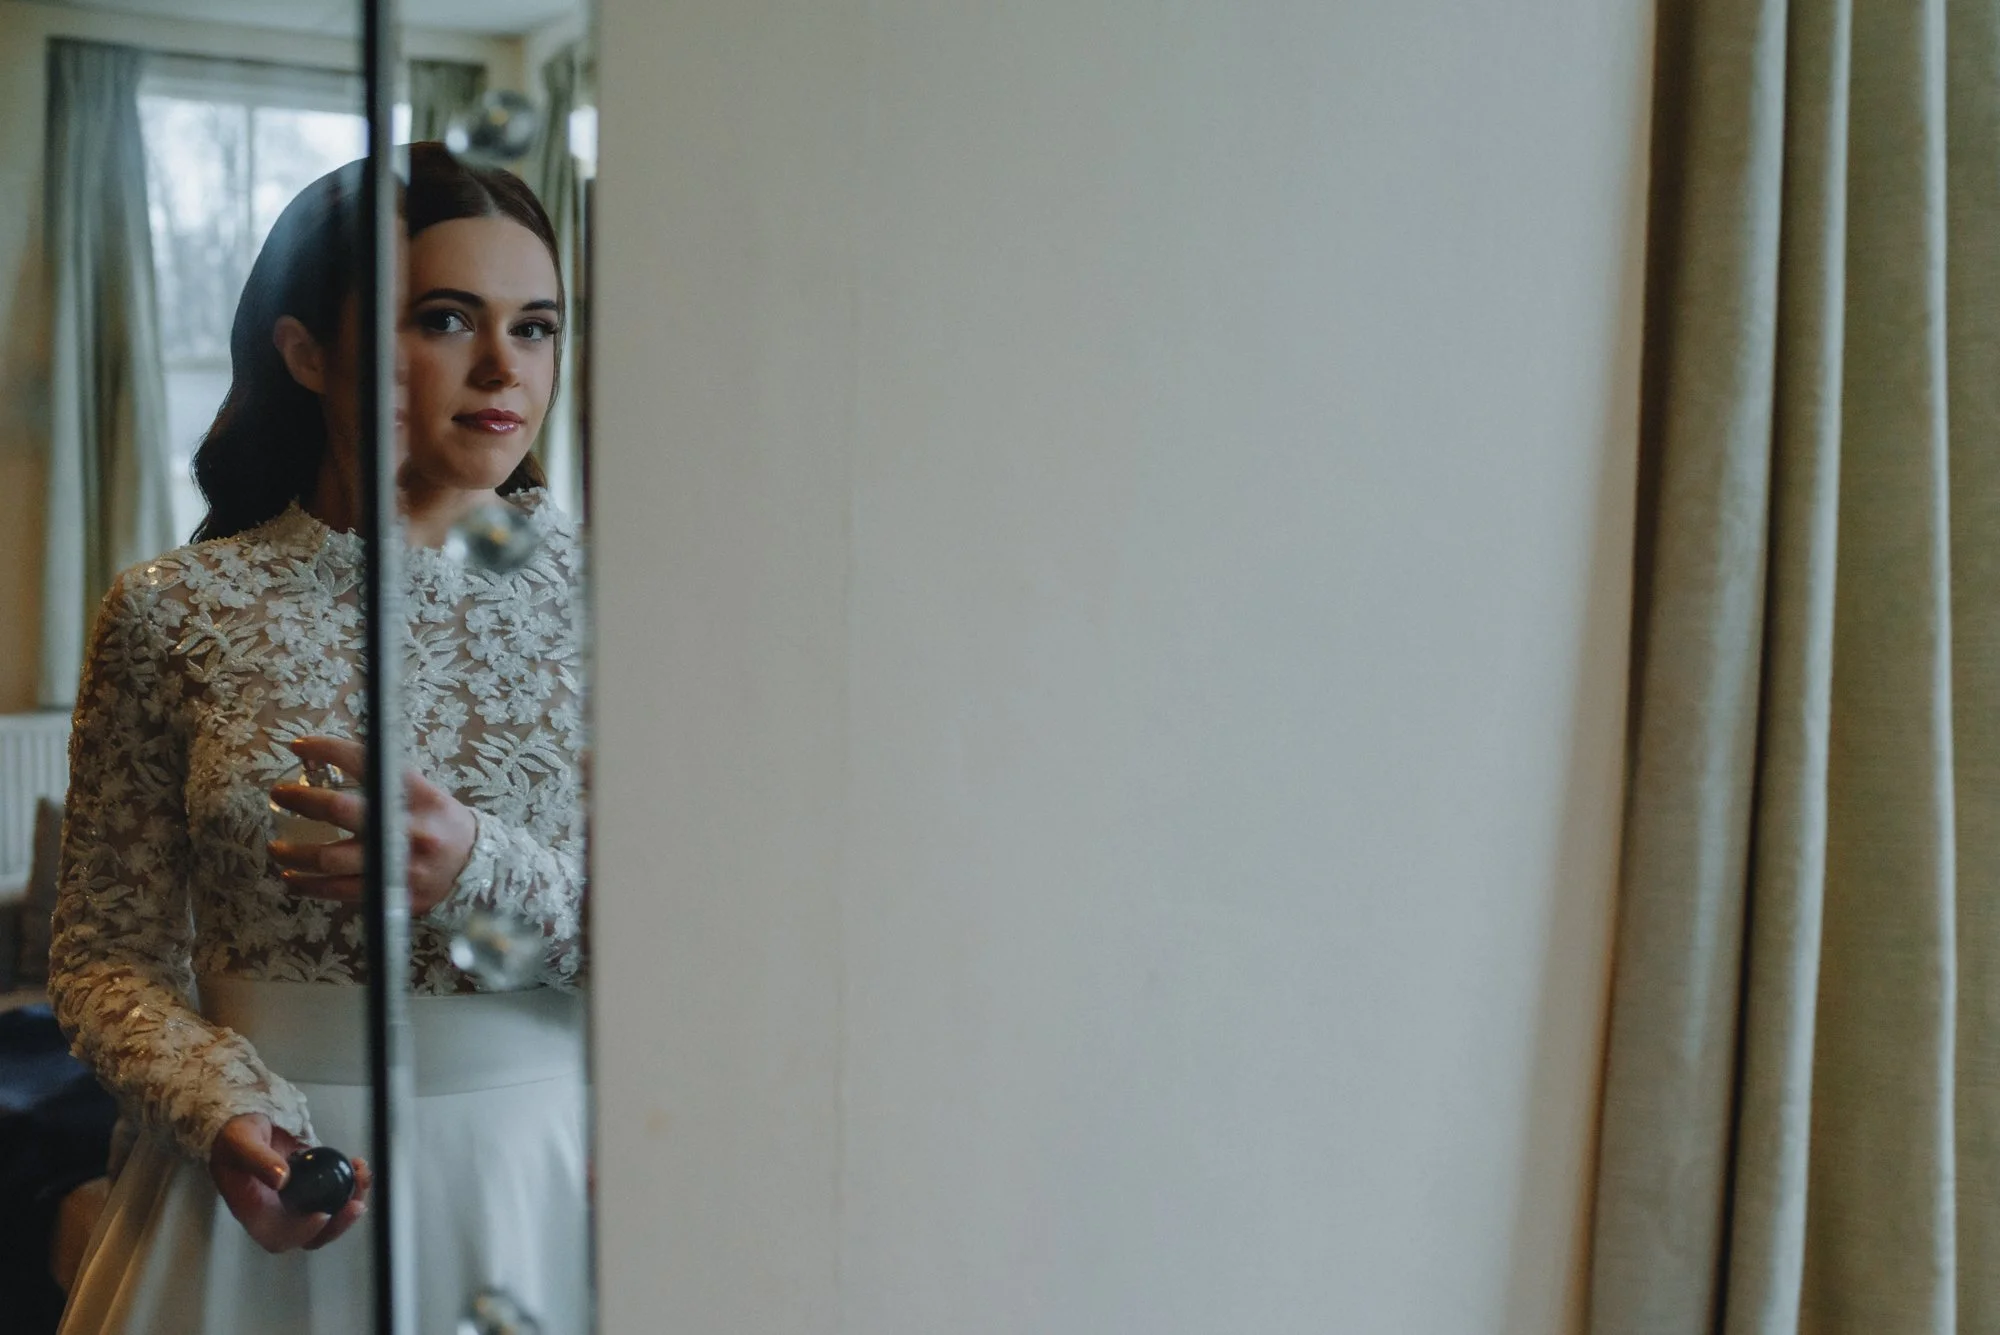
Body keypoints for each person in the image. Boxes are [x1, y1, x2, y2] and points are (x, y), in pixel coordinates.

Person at [49, 142, 588, 1334]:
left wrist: (479, 873)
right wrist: (221, 1107)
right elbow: (102, 957)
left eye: (538, 326)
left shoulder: (636, 603)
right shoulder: (170, 610)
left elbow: (727, 940)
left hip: (541, 1179)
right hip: (263, 1192)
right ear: (303, 350)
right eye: (447, 319)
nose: (505, 366)